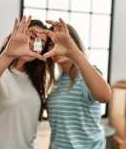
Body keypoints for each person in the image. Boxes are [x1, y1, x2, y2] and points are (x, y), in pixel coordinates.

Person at [0, 16, 52, 149]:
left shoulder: (35, 79)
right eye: (31, 37)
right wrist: (8, 55)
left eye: (41, 42)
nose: (35, 43)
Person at [41, 19, 112, 149]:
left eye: (61, 42)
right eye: (51, 44)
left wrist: (73, 51)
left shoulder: (87, 75)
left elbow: (105, 96)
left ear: (73, 44)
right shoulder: (54, 85)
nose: (56, 47)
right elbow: (58, 132)